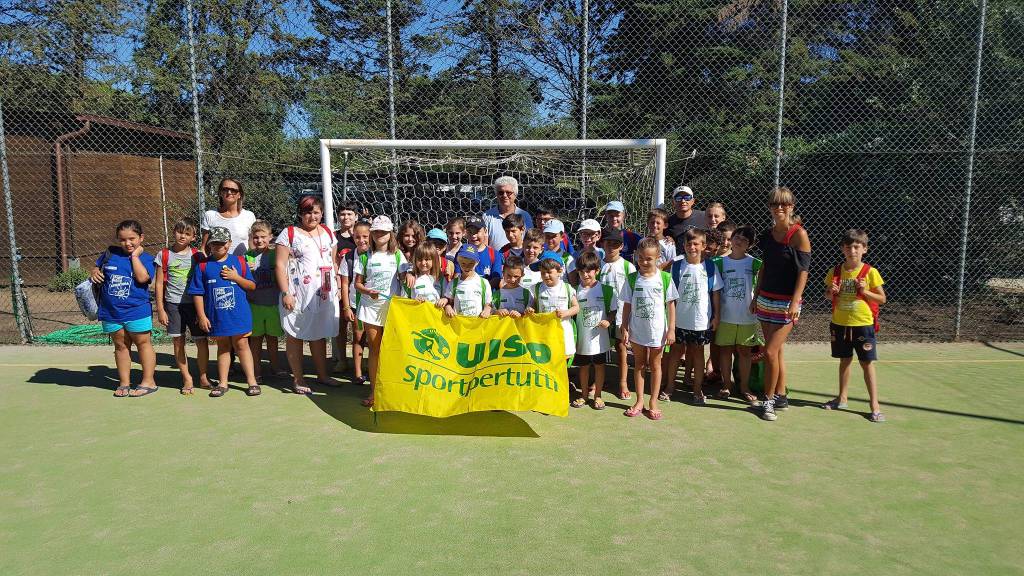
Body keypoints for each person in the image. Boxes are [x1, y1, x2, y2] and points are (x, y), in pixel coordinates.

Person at [752, 187, 811, 421]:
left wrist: (796, 301)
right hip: (766, 299)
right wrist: (756, 297)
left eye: (784, 204)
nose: (780, 208)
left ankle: (767, 402)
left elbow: (803, 271)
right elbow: (765, 267)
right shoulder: (767, 236)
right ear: (770, 208)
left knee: (770, 352)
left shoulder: (799, 235)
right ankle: (781, 396)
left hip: (787, 304)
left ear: (792, 207)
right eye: (775, 204)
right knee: (776, 353)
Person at [275, 195, 340, 395]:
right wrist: (286, 293)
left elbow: (333, 260)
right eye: (308, 212)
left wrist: (336, 283)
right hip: (297, 293)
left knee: (319, 335)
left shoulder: (329, 232)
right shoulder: (290, 233)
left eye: (316, 212)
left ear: (322, 213)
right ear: (301, 214)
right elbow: (279, 265)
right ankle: (298, 378)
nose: (312, 216)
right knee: (295, 335)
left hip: (323, 294)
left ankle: (322, 375)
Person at [823, 229, 887, 422]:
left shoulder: (870, 272)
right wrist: (831, 292)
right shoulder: (835, 271)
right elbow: (827, 295)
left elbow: (882, 299)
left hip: (863, 324)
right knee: (844, 361)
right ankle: (842, 398)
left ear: (864, 249)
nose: (853, 250)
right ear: (843, 249)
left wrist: (865, 291)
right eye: (849, 247)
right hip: (840, 323)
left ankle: (874, 405)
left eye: (857, 247)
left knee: (866, 363)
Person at [188, 226, 259, 397]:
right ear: (209, 245)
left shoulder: (239, 262)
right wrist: (202, 316)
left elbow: (252, 286)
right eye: (214, 244)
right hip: (217, 317)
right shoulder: (203, 266)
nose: (218, 247)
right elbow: (197, 293)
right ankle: (223, 383)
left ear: (229, 243)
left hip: (239, 315)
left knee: (242, 345)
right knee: (223, 346)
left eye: (222, 243)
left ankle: (252, 381)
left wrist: (236, 277)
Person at [90, 220, 158, 397]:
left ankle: (149, 382)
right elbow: (96, 267)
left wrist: (135, 256)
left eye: (132, 239)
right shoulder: (110, 254)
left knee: (143, 344)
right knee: (120, 346)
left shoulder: (147, 258)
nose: (127, 243)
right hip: (111, 312)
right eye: (123, 240)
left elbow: (143, 278)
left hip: (137, 310)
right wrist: (94, 271)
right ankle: (124, 382)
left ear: (141, 238)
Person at [620, 238, 677, 420]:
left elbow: (671, 306)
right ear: (637, 256)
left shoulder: (665, 278)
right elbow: (627, 305)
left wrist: (671, 330)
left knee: (655, 365)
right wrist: (625, 326)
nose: (645, 262)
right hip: (637, 330)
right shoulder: (631, 279)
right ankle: (639, 401)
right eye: (642, 258)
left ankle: (653, 401)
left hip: (658, 332)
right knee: (639, 364)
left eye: (649, 259)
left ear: (658, 258)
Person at [663, 228, 722, 405]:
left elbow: (716, 294)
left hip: (700, 322)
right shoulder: (677, 266)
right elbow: (671, 297)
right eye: (689, 243)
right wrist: (670, 322)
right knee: (676, 353)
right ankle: (669, 388)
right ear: (684, 245)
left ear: (704, 246)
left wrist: (716, 316)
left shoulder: (710, 267)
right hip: (680, 320)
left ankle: (697, 390)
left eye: (696, 243)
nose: (692, 247)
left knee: (697, 354)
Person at [354, 215, 406, 406]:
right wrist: (367, 291)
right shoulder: (365, 256)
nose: (379, 235)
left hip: (393, 310)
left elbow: (405, 278)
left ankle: (393, 390)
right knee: (375, 350)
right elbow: (357, 284)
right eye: (376, 231)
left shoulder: (398, 255)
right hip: (370, 308)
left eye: (383, 232)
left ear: (390, 233)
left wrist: (408, 276)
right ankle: (375, 393)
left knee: (391, 350)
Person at [154, 218, 210, 394]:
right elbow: (159, 284)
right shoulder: (163, 255)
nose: (182, 236)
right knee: (178, 342)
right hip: (173, 305)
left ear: (193, 237)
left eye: (187, 233)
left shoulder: (197, 255)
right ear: (174, 232)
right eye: (179, 231)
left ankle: (203, 376)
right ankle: (187, 378)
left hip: (195, 305)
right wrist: (161, 309)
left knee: (201, 341)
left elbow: (205, 280)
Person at [714, 225, 762, 405]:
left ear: (749, 245)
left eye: (745, 239)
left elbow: (760, 286)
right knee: (725, 351)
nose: (739, 240)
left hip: (747, 317)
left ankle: (744, 387)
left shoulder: (755, 263)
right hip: (726, 316)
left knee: (744, 352)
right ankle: (726, 385)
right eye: (737, 236)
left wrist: (756, 300)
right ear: (731, 239)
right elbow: (715, 291)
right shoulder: (719, 262)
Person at [572, 250, 615, 410]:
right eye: (581, 271)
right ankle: (583, 395)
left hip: (600, 340)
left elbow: (612, 311)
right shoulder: (574, 291)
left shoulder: (606, 290)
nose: (585, 274)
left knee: (599, 366)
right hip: (582, 339)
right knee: (583, 367)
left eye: (588, 271)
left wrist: (608, 320)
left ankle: (598, 396)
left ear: (597, 270)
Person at [598, 227, 636, 400]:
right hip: (601, 315)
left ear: (621, 246)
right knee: (599, 349)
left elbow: (634, 292)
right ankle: (598, 381)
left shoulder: (628, 266)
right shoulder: (597, 264)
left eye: (616, 244)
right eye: (608, 243)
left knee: (621, 348)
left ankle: (623, 383)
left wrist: (629, 318)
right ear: (602, 244)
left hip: (621, 315)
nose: (612, 247)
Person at [246, 220, 286, 382]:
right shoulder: (246, 257)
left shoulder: (276, 255)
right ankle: (256, 370)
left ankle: (275, 367)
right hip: (254, 305)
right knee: (254, 340)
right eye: (256, 237)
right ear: (251, 238)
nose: (260, 240)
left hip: (273, 305)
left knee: (272, 338)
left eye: (263, 237)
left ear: (270, 237)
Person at [526, 251, 579, 363]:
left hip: (563, 331)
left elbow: (576, 308)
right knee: (545, 360)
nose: (546, 275)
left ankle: (563, 380)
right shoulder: (536, 288)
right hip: (544, 333)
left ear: (559, 272)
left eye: (549, 272)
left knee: (562, 361)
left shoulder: (567, 288)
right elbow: (532, 305)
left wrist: (565, 313)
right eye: (543, 273)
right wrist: (530, 309)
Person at [340, 220, 371, 385]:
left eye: (365, 236)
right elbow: (345, 284)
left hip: (375, 306)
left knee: (374, 340)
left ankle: (374, 369)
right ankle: (358, 373)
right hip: (356, 304)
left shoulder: (377, 255)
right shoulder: (349, 257)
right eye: (358, 237)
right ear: (353, 237)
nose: (362, 240)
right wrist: (346, 307)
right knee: (358, 337)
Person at [333, 201, 360, 372]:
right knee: (341, 325)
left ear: (356, 216)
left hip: (359, 287)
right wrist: (337, 283)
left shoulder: (362, 235)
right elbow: (333, 260)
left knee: (360, 326)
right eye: (343, 214)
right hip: (341, 285)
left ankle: (360, 359)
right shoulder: (334, 237)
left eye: (350, 214)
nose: (346, 217)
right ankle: (341, 359)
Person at [201, 178, 257, 257]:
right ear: (220, 193)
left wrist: (252, 262)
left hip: (242, 266)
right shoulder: (210, 215)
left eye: (233, 190)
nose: (229, 192)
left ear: (239, 195)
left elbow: (254, 245)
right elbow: (204, 247)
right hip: (216, 266)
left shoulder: (249, 216)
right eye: (225, 189)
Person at [440, 246, 493, 318]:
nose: (467, 267)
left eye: (471, 264)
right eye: (463, 263)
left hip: (477, 326)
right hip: (459, 326)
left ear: (477, 262)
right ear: (458, 262)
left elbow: (488, 303)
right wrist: (448, 307)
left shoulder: (484, 283)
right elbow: (449, 302)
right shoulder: (453, 283)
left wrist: (487, 309)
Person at [483, 175, 534, 250]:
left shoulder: (525, 216)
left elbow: (530, 241)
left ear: (515, 194)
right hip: (496, 260)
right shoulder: (487, 216)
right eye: (501, 192)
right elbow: (484, 245)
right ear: (496, 195)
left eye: (508, 192)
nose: (504, 195)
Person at [462, 216, 503, 288]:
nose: (473, 236)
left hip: (487, 296)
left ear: (485, 231)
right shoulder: (461, 253)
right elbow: (458, 275)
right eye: (470, 232)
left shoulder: (495, 254)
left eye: (477, 231)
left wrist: (481, 291)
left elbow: (496, 279)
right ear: (466, 233)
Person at [666, 185, 706, 253]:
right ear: (673, 202)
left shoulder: (705, 216)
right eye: (678, 198)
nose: (683, 201)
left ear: (693, 201)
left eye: (687, 197)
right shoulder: (668, 222)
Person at [566, 218, 603, 286]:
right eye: (584, 233)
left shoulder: (603, 254)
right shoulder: (575, 256)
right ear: (580, 235)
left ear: (598, 235)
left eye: (591, 233)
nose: (587, 237)